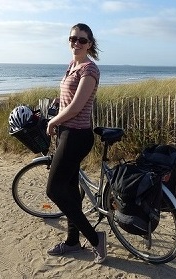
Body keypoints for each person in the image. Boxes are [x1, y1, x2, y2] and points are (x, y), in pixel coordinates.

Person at [46, 23, 106, 264]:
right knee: (69, 190)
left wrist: (53, 122)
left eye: (82, 40)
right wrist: (54, 107)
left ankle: (95, 239)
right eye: (73, 38)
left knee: (53, 190)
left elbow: (77, 106)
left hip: (77, 136)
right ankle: (72, 242)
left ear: (89, 43)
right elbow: (67, 98)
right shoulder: (73, 65)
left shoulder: (89, 69)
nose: (76, 43)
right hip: (66, 133)